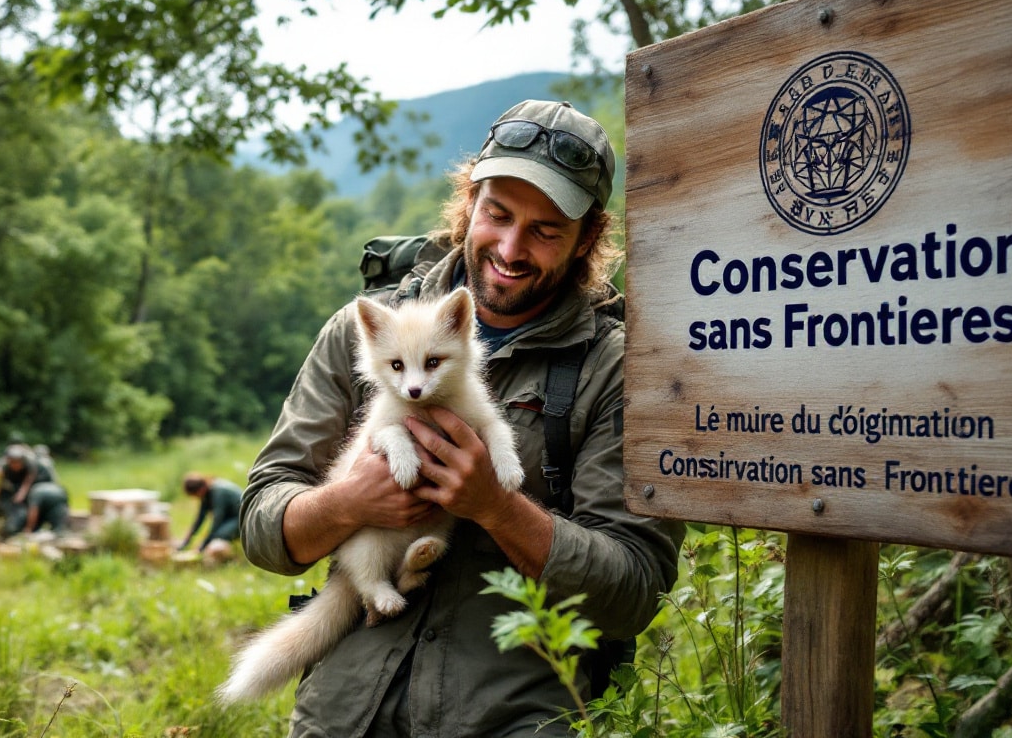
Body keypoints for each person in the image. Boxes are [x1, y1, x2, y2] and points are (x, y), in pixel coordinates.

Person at [239, 99, 685, 736]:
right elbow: (261, 525)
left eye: (546, 229)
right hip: (345, 715)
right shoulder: (365, 331)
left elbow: (632, 590)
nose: (510, 247)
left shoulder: (619, 370)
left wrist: (496, 508)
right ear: (470, 201)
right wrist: (350, 504)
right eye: (497, 214)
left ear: (588, 238)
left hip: (509, 718)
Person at [178, 472, 243, 564]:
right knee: (215, 535)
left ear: (200, 490)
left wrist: (203, 544)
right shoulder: (207, 494)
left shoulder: (218, 492)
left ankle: (228, 559)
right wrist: (185, 543)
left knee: (219, 535)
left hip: (241, 519)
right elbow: (199, 519)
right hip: (230, 518)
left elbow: (217, 521)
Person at [0, 443, 44, 539]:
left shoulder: (30, 462)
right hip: (9, 483)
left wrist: (22, 493)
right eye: (12, 462)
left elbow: (30, 477)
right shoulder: (3, 465)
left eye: (18, 462)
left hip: (27, 483)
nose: (15, 465)